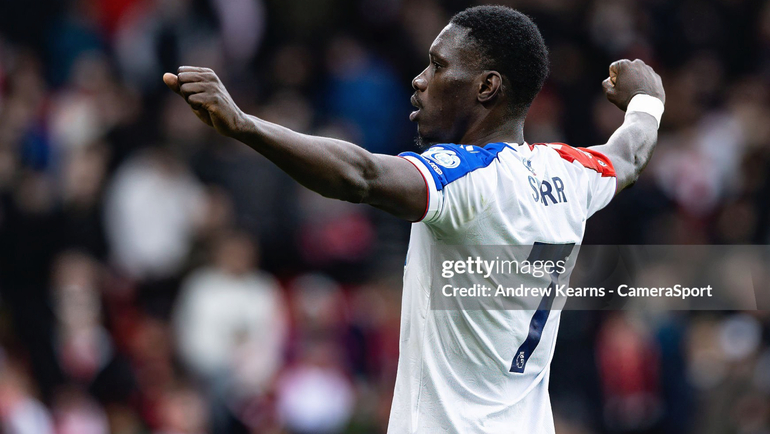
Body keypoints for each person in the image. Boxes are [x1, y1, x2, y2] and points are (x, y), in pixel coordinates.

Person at [163, 5, 665, 433]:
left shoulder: (468, 178)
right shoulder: (570, 174)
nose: (420, 80)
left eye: (437, 66)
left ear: (487, 86)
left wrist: (245, 125)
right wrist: (647, 101)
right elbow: (629, 156)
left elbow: (359, 176)